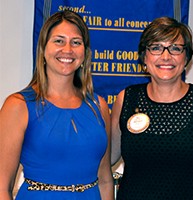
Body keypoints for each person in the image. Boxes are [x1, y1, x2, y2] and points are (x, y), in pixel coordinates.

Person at [0, 10, 113, 200]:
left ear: (85, 54)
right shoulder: (18, 106)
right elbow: (2, 187)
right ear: (43, 49)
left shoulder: (99, 107)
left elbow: (105, 180)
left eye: (76, 42)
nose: (67, 49)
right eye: (59, 41)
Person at [111, 16, 193, 200]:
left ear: (186, 57)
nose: (166, 56)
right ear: (144, 57)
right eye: (156, 48)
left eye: (175, 48)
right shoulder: (126, 100)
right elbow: (105, 159)